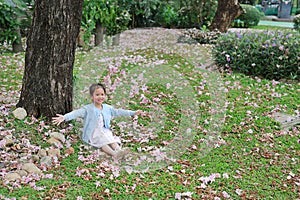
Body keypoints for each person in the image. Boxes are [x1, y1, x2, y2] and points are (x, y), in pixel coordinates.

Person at [52, 83, 142, 159]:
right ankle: (114, 154)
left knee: (111, 139)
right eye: (97, 95)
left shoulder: (107, 108)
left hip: (103, 130)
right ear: (92, 96)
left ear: (105, 95)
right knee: (102, 143)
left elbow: (118, 112)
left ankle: (119, 150)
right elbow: (76, 113)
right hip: (93, 133)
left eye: (102, 94)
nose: (100, 97)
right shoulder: (88, 109)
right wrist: (64, 117)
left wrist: (132, 113)